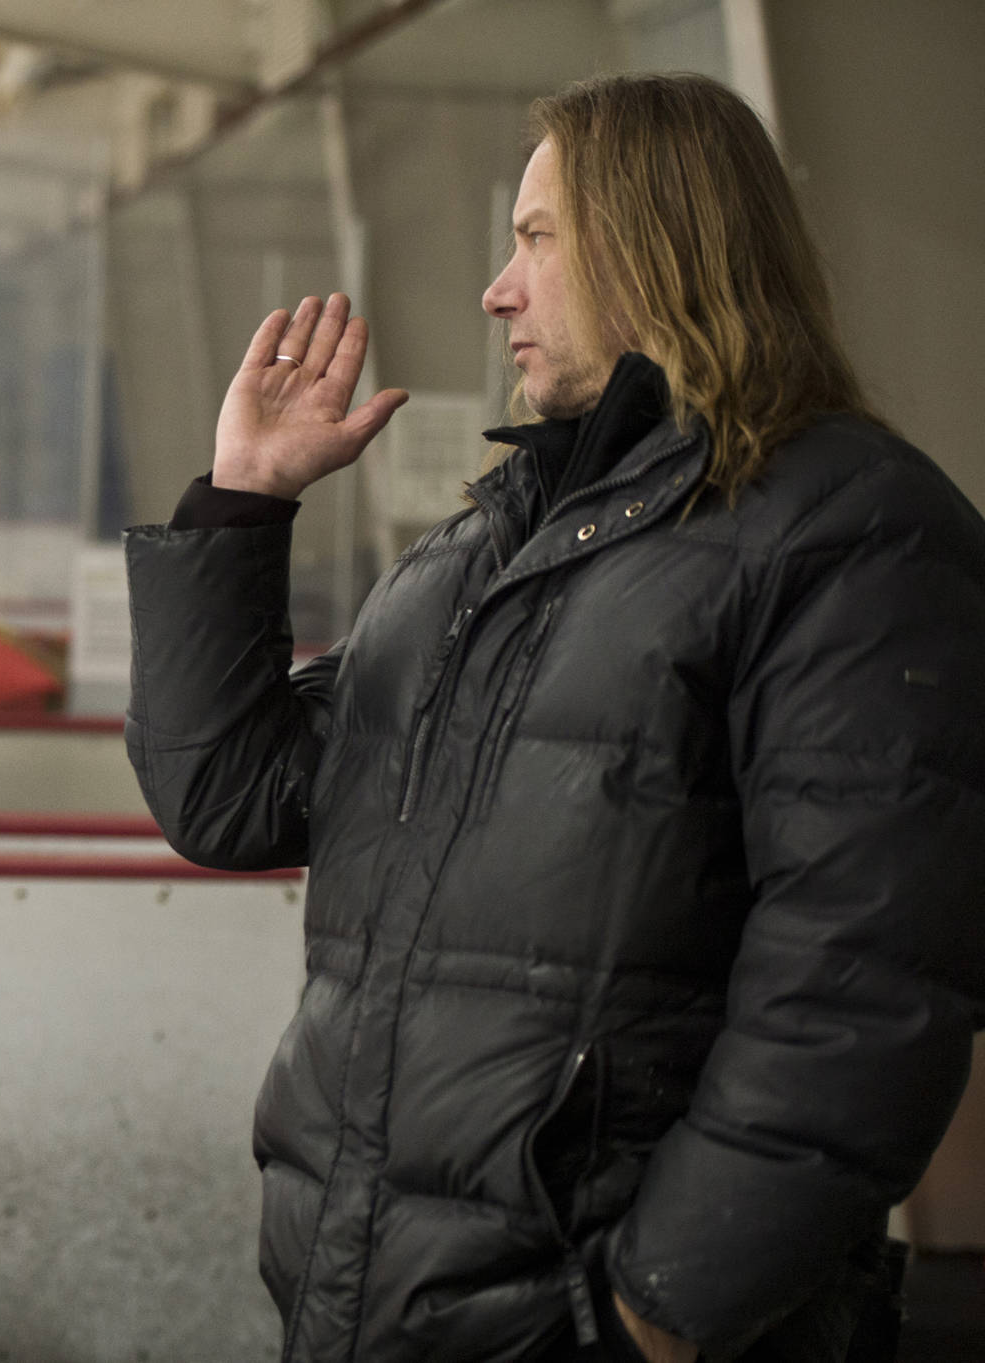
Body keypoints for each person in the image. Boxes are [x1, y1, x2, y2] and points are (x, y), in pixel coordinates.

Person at [124, 73, 985, 1363]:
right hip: (377, 1306)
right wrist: (242, 502)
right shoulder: (491, 545)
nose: (496, 290)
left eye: (535, 239)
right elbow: (232, 798)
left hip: (606, 1324)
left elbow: (857, 995)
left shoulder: (850, 535)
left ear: (657, 242)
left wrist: (653, 1315)